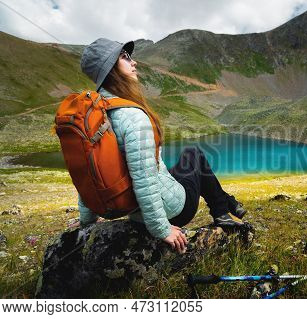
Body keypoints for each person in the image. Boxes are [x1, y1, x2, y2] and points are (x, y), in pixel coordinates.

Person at [77, 38, 246, 254]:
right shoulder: (133, 117)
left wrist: (87, 225)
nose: (133, 62)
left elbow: (86, 174)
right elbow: (145, 181)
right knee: (194, 155)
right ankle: (223, 209)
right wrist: (162, 229)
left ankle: (225, 204)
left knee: (186, 161)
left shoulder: (93, 116)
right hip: (173, 210)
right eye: (125, 57)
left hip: (134, 209)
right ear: (110, 68)